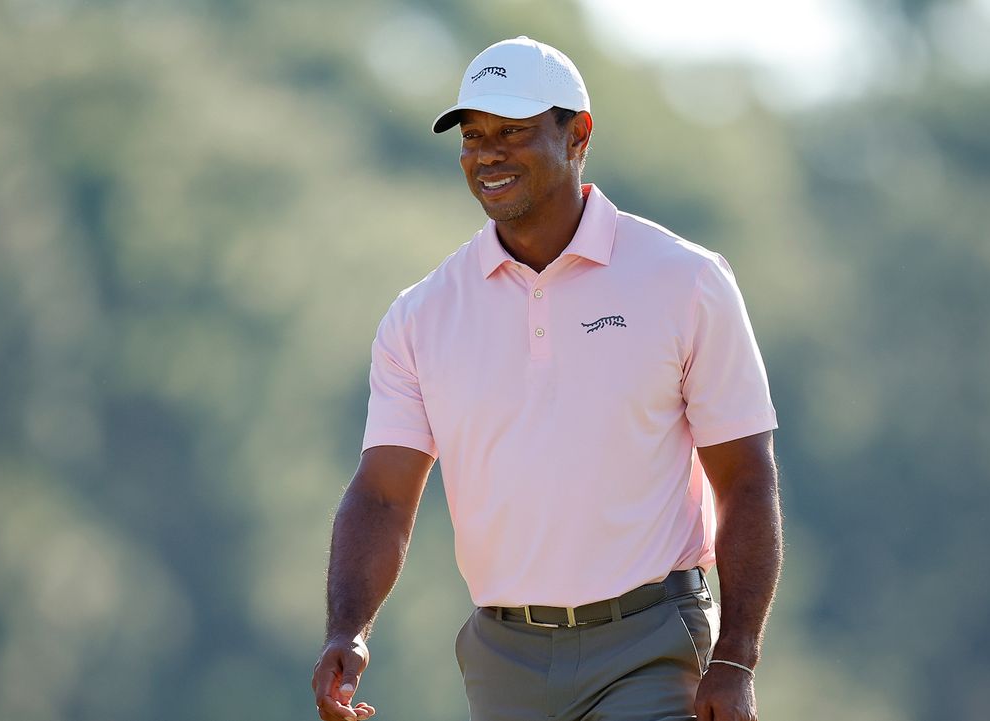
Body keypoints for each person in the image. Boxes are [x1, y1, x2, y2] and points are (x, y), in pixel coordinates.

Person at [312, 36, 781, 721]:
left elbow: (743, 477)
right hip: (502, 659)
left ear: (577, 134)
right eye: (474, 136)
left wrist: (736, 657)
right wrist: (346, 629)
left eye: (514, 132)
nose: (488, 153)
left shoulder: (686, 280)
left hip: (650, 646)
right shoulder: (422, 314)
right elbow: (383, 497)